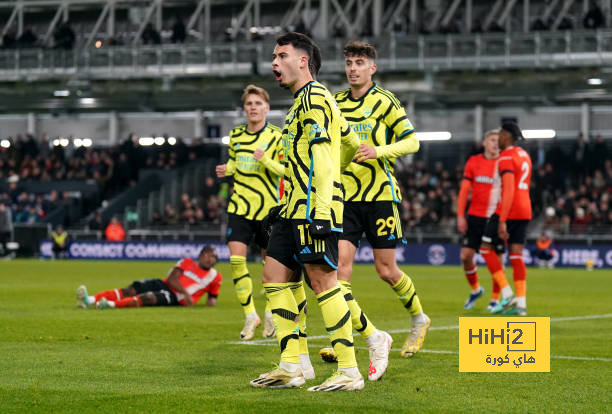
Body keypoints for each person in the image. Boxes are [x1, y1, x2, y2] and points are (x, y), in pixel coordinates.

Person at [250, 32, 361, 391]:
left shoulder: (315, 98)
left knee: (323, 282)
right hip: (292, 206)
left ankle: (349, 370)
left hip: (313, 209)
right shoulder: (300, 103)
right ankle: (291, 365)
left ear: (303, 61)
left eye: (281, 55)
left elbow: (325, 159)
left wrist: (324, 209)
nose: (274, 63)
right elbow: (348, 143)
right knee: (273, 277)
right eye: (273, 56)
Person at [318, 41, 428, 382]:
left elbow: (412, 142)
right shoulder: (334, 102)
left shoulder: (385, 101)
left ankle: (418, 318)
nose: (353, 68)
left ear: (372, 68)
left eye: (360, 62)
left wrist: (379, 150)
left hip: (380, 195)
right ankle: (346, 340)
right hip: (345, 199)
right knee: (339, 273)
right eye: (349, 62)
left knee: (386, 270)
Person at [215, 85, 289, 341]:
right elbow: (237, 162)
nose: (253, 107)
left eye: (258, 103)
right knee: (236, 261)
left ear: (267, 108)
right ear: (245, 109)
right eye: (249, 104)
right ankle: (250, 315)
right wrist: (229, 169)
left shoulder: (277, 136)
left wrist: (266, 161)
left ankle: (270, 312)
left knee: (272, 268)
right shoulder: (236, 135)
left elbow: (286, 171)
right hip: (240, 207)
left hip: (269, 210)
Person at [480, 122, 532, 316]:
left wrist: (502, 220)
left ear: (507, 136)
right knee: (517, 255)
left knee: (485, 249)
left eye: (500, 134)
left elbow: (509, 189)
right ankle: (521, 304)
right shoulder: (524, 155)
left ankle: (507, 293)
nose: (498, 139)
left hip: (509, 209)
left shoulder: (506, 157)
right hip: (525, 208)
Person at [76, 246, 221, 309]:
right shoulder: (187, 262)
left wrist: (206, 305)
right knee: (131, 289)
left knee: (149, 298)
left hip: (177, 297)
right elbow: (172, 278)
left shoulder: (215, 276)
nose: (210, 259)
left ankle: (109, 305)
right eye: (208, 254)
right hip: (165, 284)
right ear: (201, 255)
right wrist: (186, 293)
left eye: (214, 257)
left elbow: (212, 299)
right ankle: (89, 300)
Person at [457, 130, 504, 311]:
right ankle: (476, 290)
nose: (495, 144)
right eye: (492, 140)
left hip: (495, 218)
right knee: (466, 256)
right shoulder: (474, 162)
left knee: (497, 261)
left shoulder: (504, 163)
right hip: (475, 217)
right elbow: (464, 191)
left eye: (498, 141)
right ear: (484, 142)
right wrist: (461, 215)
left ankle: (495, 300)